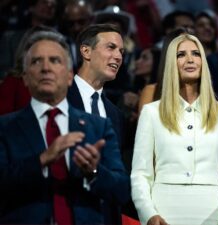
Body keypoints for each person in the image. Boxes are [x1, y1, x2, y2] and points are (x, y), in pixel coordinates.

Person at [0, 30, 130, 224]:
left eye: (55, 61)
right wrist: (42, 160)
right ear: (25, 77)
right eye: (36, 62)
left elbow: (121, 191)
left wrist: (93, 172)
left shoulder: (103, 124)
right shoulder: (6, 127)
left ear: (69, 75)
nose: (46, 68)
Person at [131, 34, 218, 225]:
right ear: (171, 62)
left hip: (213, 212)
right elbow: (140, 173)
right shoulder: (151, 112)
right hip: (163, 211)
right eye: (181, 54)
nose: (190, 59)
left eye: (196, 54)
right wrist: (148, 213)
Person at [66, 23, 127, 224]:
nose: (118, 56)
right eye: (111, 47)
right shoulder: (58, 98)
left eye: (121, 51)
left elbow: (119, 176)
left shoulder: (115, 114)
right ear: (86, 51)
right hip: (65, 211)